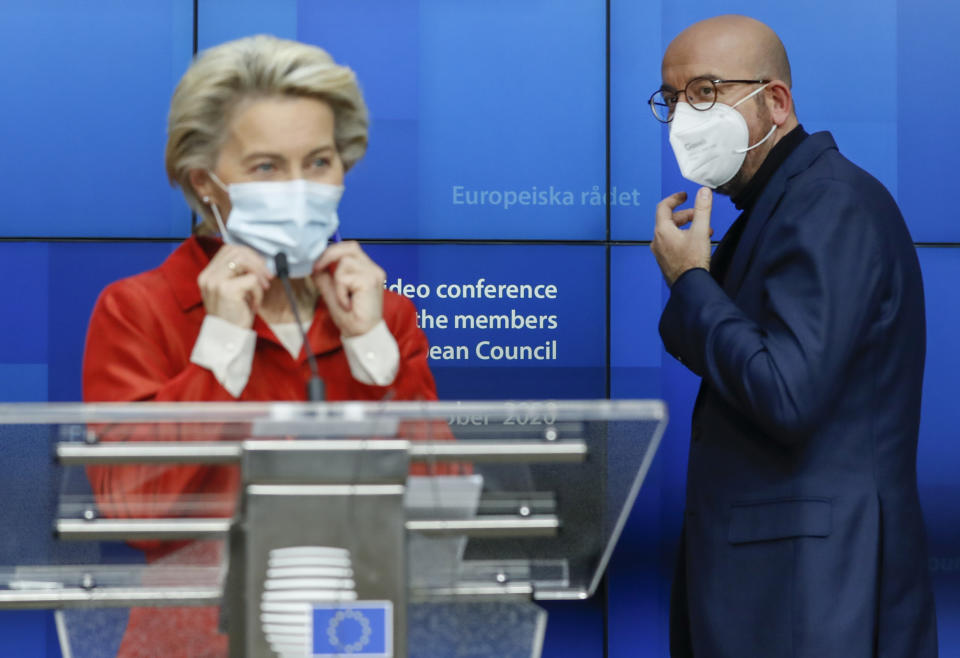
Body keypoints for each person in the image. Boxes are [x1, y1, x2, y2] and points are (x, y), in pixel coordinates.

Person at [82, 35, 445, 657]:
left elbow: (446, 505)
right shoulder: (140, 309)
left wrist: (372, 347)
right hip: (195, 642)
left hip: (350, 639)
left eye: (320, 161)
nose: (300, 187)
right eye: (267, 167)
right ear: (205, 185)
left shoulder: (383, 313)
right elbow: (134, 512)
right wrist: (221, 346)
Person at [648, 15, 937, 657]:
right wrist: (691, 284)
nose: (682, 120)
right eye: (670, 101)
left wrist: (692, 279)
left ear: (775, 101)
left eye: (703, 93)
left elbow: (786, 392)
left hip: (814, 598)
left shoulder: (828, 202)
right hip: (780, 590)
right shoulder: (780, 205)